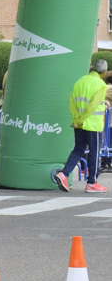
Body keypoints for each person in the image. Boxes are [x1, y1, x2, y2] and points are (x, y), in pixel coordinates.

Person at [53, 60, 110, 193]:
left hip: (79, 123)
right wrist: (83, 119)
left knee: (78, 150)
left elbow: (72, 102)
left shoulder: (80, 81)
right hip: (92, 124)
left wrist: (77, 119)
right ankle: (92, 183)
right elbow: (92, 106)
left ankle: (64, 174)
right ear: (104, 72)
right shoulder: (101, 85)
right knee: (94, 153)